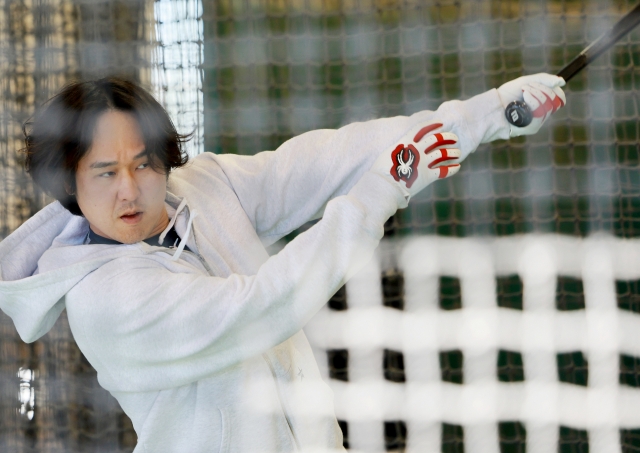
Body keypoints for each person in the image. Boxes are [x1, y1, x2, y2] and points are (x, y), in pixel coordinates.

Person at [0, 74, 565, 452]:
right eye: (104, 172)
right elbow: (262, 307)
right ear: (67, 180)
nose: (130, 190)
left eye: (144, 163)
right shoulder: (103, 301)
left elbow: (325, 159)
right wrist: (385, 189)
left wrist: (488, 115)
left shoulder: (202, 188)